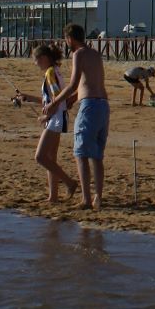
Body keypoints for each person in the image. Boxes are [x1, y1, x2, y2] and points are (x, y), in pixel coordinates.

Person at [50, 24, 108, 210]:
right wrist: (74, 99)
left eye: (66, 39)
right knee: (97, 155)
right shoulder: (96, 54)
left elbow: (74, 83)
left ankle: (86, 198)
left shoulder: (79, 54)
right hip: (103, 105)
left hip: (90, 107)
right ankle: (98, 197)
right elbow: (92, 82)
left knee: (81, 153)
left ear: (70, 39)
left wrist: (55, 102)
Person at [29, 43, 79, 202]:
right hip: (58, 116)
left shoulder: (50, 73)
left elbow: (57, 99)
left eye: (35, 60)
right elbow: (50, 100)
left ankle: (70, 183)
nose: (34, 64)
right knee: (50, 158)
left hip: (57, 119)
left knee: (40, 157)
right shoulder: (54, 71)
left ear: (43, 58)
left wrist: (46, 117)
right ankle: (53, 196)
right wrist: (27, 97)